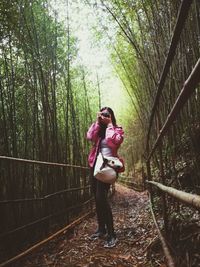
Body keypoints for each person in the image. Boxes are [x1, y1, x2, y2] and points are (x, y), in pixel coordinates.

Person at [86, 107, 124, 248]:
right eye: (102, 115)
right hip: (94, 165)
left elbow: (115, 141)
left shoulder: (116, 130)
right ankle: (101, 229)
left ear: (111, 116)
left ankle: (112, 233)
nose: (104, 116)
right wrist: (97, 122)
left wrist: (109, 125)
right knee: (96, 197)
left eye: (107, 115)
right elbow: (90, 137)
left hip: (107, 167)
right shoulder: (98, 130)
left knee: (102, 197)